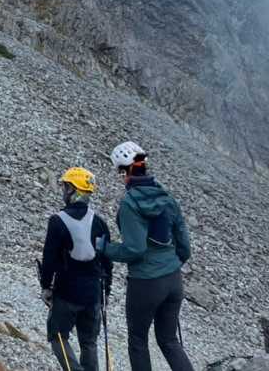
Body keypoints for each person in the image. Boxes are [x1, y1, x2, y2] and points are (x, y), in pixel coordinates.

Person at [98, 141, 194, 371]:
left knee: (138, 341)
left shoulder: (130, 203)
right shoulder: (167, 197)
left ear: (125, 172)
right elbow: (184, 246)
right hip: (173, 280)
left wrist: (105, 248)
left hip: (145, 282)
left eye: (120, 172)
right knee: (169, 340)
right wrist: (171, 264)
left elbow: (135, 249)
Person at [40, 167, 113, 371]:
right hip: (93, 293)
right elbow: (107, 261)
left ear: (73, 190)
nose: (63, 191)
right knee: (89, 342)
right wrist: (106, 291)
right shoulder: (100, 223)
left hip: (67, 292)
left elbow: (49, 258)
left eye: (66, 187)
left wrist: (46, 286)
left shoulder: (57, 221)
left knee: (57, 336)